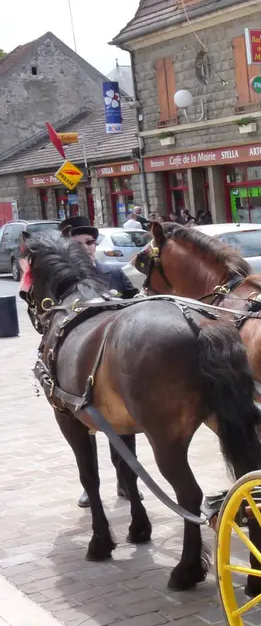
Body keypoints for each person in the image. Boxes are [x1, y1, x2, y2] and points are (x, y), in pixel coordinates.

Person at [59, 216, 142, 508]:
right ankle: (88, 486)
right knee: (82, 430)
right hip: (78, 366)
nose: (85, 248)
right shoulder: (65, 281)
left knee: (123, 423)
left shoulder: (114, 274)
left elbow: (136, 305)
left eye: (90, 242)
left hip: (112, 361)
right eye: (77, 243)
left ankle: (126, 480)